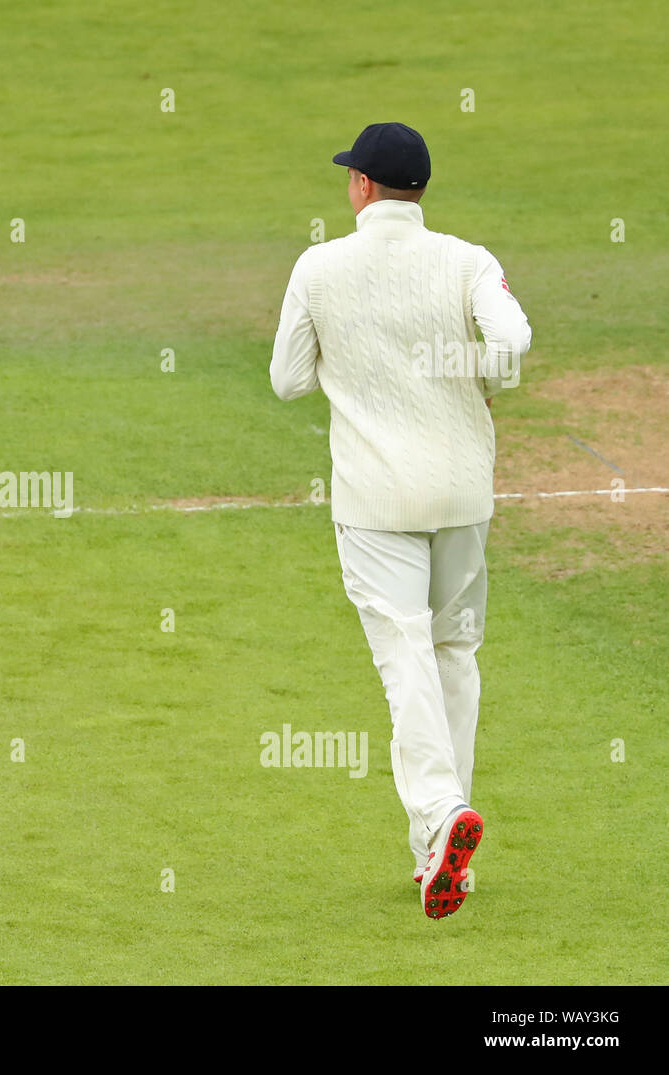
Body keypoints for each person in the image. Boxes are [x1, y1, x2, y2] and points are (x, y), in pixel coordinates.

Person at [269, 122, 531, 919]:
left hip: (377, 501)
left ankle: (442, 814)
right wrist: (473, 373)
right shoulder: (467, 259)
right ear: (418, 190)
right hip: (460, 493)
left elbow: (286, 380)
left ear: (360, 188)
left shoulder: (319, 266)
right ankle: (438, 852)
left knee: (405, 655)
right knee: (454, 651)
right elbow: (512, 344)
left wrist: (355, 367)